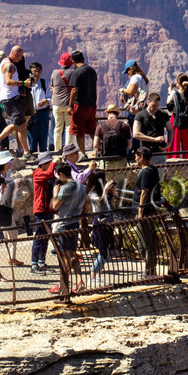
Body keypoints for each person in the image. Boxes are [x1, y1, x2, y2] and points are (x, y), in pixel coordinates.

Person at [49, 161, 88, 293]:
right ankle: (79, 281)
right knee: (73, 254)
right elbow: (86, 207)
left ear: (61, 174)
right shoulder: (82, 187)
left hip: (64, 225)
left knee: (65, 256)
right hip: (75, 223)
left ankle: (63, 284)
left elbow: (55, 206)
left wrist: (55, 193)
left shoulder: (65, 189)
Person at [0, 45, 30, 155]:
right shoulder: (8, 65)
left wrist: (19, 91)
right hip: (9, 99)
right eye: (20, 56)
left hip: (11, 97)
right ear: (15, 54)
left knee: (19, 124)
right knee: (21, 124)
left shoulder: (7, 63)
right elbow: (8, 81)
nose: (20, 59)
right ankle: (26, 152)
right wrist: (24, 83)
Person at [29, 150, 57, 272]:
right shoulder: (37, 173)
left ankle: (42, 261)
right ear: (44, 164)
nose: (50, 164)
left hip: (47, 209)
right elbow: (50, 173)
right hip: (40, 209)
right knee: (39, 236)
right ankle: (34, 264)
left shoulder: (46, 173)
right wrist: (54, 163)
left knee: (46, 236)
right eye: (49, 162)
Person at [67, 51, 98, 155]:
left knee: (79, 131)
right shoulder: (92, 70)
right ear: (83, 59)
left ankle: (82, 153)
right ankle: (97, 151)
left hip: (80, 105)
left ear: (73, 61)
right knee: (92, 130)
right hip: (92, 105)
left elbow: (74, 90)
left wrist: (70, 105)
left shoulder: (76, 72)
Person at [132, 91, 171, 158]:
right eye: (154, 105)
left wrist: (169, 143)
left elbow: (170, 130)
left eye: (158, 105)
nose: (156, 107)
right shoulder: (140, 115)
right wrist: (154, 139)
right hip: (145, 152)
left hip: (160, 152)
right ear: (148, 102)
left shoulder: (163, 114)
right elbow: (136, 134)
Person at [166, 73, 188, 159]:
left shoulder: (174, 93)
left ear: (178, 83)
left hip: (175, 119)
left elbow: (168, 105)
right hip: (187, 119)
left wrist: (169, 92)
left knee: (174, 142)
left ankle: (173, 160)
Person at [93, 104, 132, 169]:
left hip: (106, 161)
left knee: (106, 178)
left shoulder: (100, 126)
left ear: (107, 114)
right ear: (118, 115)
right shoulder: (125, 126)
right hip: (121, 159)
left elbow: (95, 145)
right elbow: (129, 146)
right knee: (120, 179)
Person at [50, 53, 74, 154]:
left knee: (57, 128)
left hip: (56, 104)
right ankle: (68, 150)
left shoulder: (55, 72)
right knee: (69, 128)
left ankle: (57, 150)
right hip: (68, 104)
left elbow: (52, 87)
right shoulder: (73, 72)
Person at [29, 61, 52, 155]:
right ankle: (32, 154)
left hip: (43, 113)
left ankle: (43, 155)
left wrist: (46, 101)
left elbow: (50, 97)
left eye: (39, 71)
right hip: (31, 114)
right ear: (30, 71)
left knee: (43, 136)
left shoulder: (44, 83)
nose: (37, 74)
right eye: (34, 71)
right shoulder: (27, 84)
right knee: (31, 136)